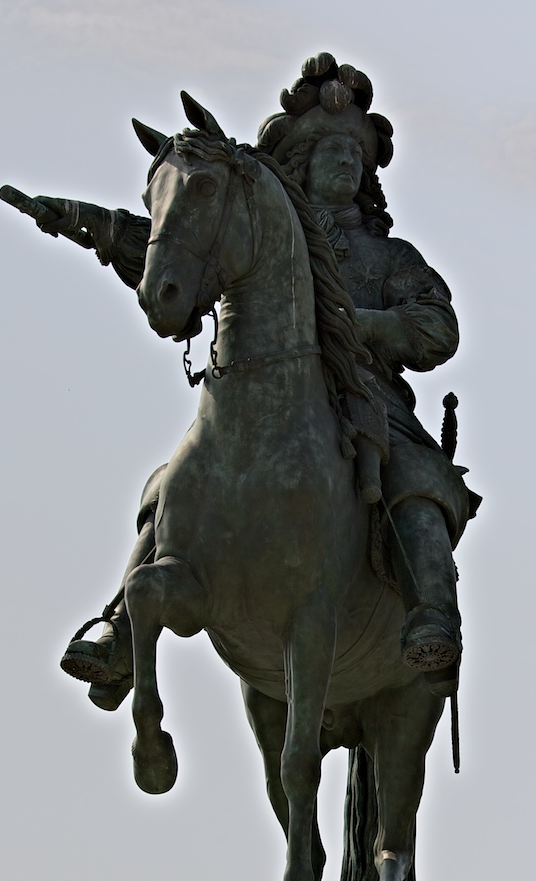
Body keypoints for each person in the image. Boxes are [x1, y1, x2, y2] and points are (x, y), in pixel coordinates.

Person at [35, 55, 476, 709]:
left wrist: (370, 325)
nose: (346, 162)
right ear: (300, 163)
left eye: (355, 153)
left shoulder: (390, 258)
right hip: (252, 394)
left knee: (419, 477)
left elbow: (439, 328)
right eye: (329, 149)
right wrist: (87, 222)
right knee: (176, 484)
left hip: (365, 397)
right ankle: (122, 631)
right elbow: (183, 236)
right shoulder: (268, 229)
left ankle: (430, 615)